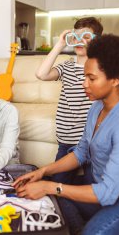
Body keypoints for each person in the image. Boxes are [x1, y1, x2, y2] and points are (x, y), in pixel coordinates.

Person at [13, 34, 119, 234]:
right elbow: (80, 153)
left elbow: (107, 193)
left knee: (57, 194)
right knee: (51, 198)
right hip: (107, 191)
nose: (84, 83)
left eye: (91, 78)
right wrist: (43, 172)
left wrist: (49, 186)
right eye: (84, 76)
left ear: (116, 79)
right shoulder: (96, 108)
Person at [35, 17, 103, 184]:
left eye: (86, 36)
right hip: (65, 142)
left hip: (88, 143)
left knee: (92, 185)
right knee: (58, 183)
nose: (80, 40)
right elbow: (41, 74)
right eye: (76, 36)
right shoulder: (66, 67)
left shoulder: (99, 70)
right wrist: (60, 45)